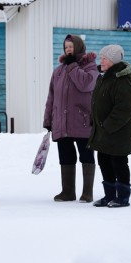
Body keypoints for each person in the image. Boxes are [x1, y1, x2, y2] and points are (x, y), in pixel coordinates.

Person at [43, 34, 99, 202]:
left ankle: (87, 192)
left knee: (86, 156)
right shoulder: (58, 71)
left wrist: (73, 67)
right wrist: (48, 120)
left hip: (82, 121)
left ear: (79, 47)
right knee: (66, 157)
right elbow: (51, 98)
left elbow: (85, 84)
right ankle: (67, 192)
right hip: (62, 122)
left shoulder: (90, 67)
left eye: (71, 46)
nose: (68, 49)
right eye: (66, 46)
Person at [88, 44, 131, 208]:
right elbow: (97, 102)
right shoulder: (104, 77)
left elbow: (125, 108)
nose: (101, 61)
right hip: (103, 130)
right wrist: (94, 120)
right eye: (101, 58)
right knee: (104, 160)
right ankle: (109, 195)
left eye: (104, 58)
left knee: (118, 162)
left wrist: (107, 125)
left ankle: (122, 197)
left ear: (113, 61)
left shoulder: (121, 80)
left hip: (117, 132)